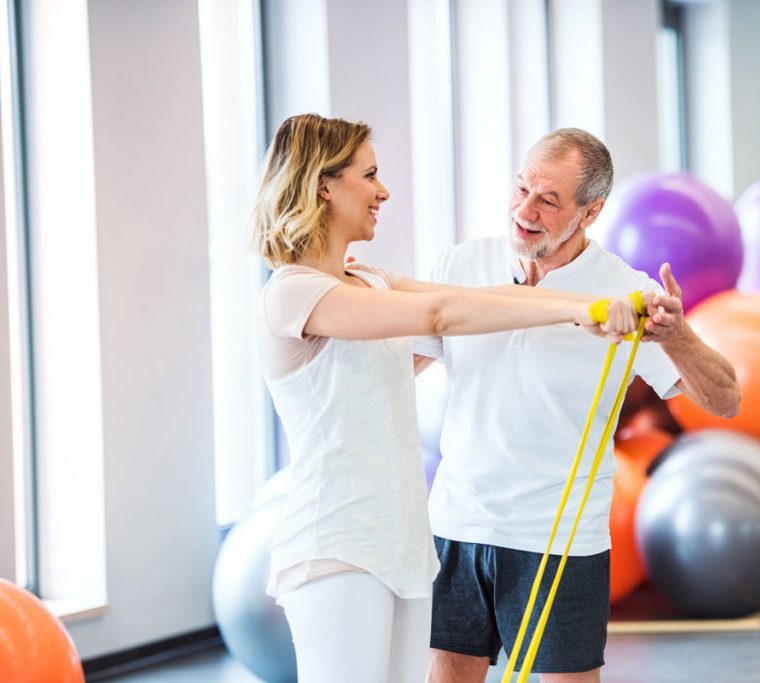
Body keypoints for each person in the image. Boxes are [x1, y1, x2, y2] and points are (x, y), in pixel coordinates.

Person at [251, 114, 643, 683]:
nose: (383, 190)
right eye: (370, 174)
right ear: (324, 185)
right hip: (336, 542)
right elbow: (442, 315)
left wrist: (597, 301)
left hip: (402, 544)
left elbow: (478, 297)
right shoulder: (293, 293)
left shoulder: (371, 281)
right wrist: (579, 310)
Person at [415, 128, 742, 683]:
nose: (525, 210)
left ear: (590, 213)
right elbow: (402, 365)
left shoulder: (625, 291)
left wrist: (677, 338)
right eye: (521, 189)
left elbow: (726, 400)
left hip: (558, 533)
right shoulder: (462, 266)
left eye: (548, 200)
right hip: (459, 520)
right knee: (447, 672)